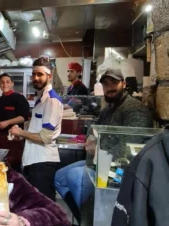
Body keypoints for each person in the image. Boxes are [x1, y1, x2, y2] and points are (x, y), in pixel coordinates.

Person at [54, 68, 153, 223]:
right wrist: (91, 139)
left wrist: (100, 154)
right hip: (100, 162)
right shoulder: (108, 109)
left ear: (124, 84)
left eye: (114, 82)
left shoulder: (134, 109)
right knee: (60, 177)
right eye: (106, 84)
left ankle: (95, 219)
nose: (110, 87)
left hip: (121, 170)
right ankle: (85, 219)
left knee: (74, 176)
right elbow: (92, 129)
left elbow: (128, 147)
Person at [9, 57, 64, 201]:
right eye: (34, 74)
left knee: (44, 208)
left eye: (40, 74)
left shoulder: (52, 101)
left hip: (43, 163)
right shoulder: (41, 99)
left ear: (49, 76)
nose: (36, 78)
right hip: (33, 161)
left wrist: (20, 132)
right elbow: (36, 130)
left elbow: (45, 137)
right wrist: (22, 136)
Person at [0, 73, 30, 173]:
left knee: (14, 167)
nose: (5, 84)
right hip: (1, 138)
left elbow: (23, 117)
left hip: (15, 139)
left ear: (12, 84)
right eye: (2, 82)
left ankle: (17, 186)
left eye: (7, 82)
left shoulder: (19, 98)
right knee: (1, 166)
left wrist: (7, 123)